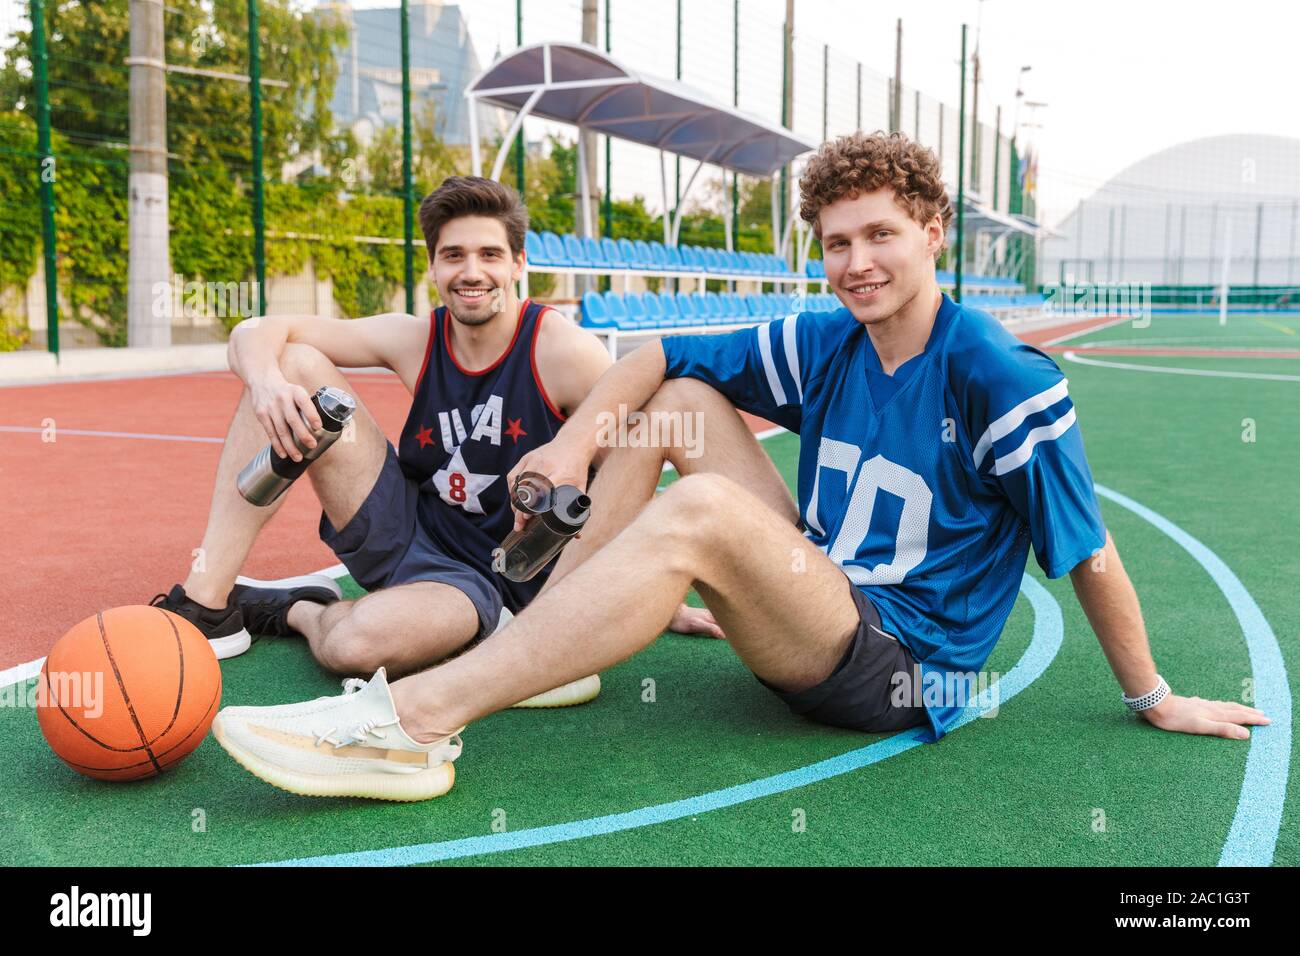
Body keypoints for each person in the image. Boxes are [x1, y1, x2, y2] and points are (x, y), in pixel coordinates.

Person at [211, 134, 1269, 802]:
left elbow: (1084, 552)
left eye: (879, 236)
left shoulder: (997, 373)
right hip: (825, 594)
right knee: (674, 402)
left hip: (904, 665)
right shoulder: (829, 338)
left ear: (932, 232)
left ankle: (413, 722)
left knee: (706, 507)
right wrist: (575, 441)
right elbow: (659, 355)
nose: (855, 261)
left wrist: (1152, 694)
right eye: (835, 240)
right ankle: (558, 639)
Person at [150, 175, 711, 700]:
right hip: (402, 528)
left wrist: (651, 583)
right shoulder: (416, 336)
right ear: (433, 266)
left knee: (353, 646)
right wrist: (268, 382)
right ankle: (206, 604)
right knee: (291, 360)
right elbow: (255, 330)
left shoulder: (562, 352)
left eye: (490, 254)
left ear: (518, 262)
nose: (472, 271)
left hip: (490, 580)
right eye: (454, 255)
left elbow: (628, 475)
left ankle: (298, 607)